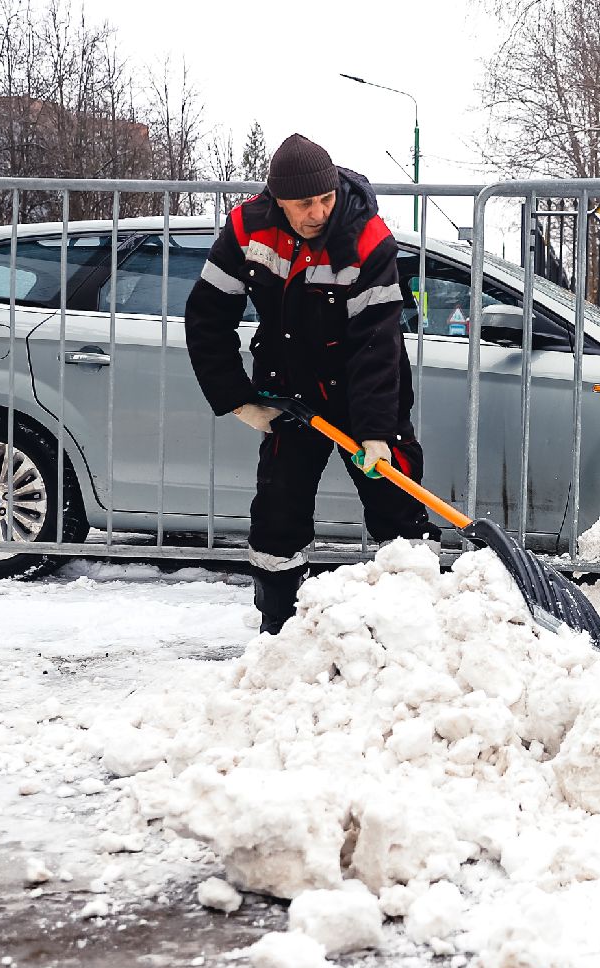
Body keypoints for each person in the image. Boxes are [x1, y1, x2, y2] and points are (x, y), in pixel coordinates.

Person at [186, 133, 432, 633]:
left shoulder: (367, 239)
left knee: (397, 505)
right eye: (304, 204)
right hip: (290, 390)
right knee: (278, 512)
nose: (318, 212)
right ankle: (278, 630)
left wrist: (376, 432)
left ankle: (414, 625)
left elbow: (377, 342)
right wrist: (237, 398)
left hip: (364, 389)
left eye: (326, 198)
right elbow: (207, 316)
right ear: (278, 199)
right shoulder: (247, 230)